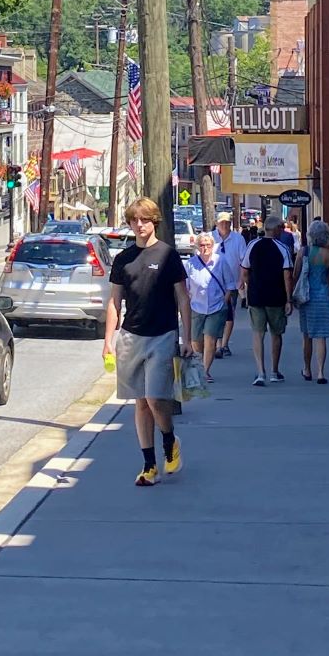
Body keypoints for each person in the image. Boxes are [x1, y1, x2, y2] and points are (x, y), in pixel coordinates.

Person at [103, 197, 192, 487]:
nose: (139, 225)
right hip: (131, 336)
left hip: (163, 335)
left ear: (154, 220)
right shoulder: (123, 259)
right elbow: (115, 302)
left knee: (155, 397)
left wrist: (187, 337)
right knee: (140, 402)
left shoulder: (168, 255)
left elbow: (182, 298)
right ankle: (149, 465)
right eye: (134, 220)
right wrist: (108, 340)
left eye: (144, 219)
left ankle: (169, 440)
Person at [240, 214, 293, 386]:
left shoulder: (252, 245)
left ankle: (260, 372)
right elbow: (287, 276)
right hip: (276, 297)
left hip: (256, 296)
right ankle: (274, 371)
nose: (283, 230)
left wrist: (251, 287)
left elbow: (245, 271)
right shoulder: (282, 248)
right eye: (281, 227)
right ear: (276, 229)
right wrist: (289, 300)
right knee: (276, 334)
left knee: (258, 333)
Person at [293, 220, 329, 384]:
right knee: (321, 336)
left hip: (306, 297)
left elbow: (296, 274)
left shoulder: (303, 251)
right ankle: (321, 372)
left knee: (307, 335)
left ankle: (307, 369)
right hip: (323, 296)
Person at [186, 232, 237, 382]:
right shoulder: (190, 264)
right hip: (197, 307)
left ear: (213, 246)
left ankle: (205, 371)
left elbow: (230, 285)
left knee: (210, 339)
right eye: (202, 245)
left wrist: (224, 301)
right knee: (196, 341)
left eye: (208, 245)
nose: (205, 248)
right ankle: (200, 364)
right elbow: (185, 287)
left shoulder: (220, 261)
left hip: (216, 307)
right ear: (197, 247)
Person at [213, 211, 247, 358]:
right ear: (216, 223)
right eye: (222, 222)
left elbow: (243, 260)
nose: (224, 225)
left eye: (227, 222)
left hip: (231, 283)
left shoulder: (238, 239)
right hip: (213, 283)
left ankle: (224, 344)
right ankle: (217, 344)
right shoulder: (210, 238)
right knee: (215, 314)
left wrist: (241, 280)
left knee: (229, 314)